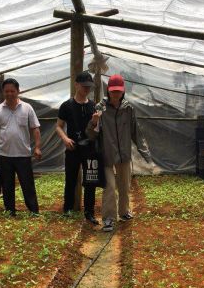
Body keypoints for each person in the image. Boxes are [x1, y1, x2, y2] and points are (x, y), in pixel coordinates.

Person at [87, 74, 152, 232]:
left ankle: (124, 212)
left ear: (123, 91)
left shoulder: (128, 108)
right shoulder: (99, 108)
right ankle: (108, 219)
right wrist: (94, 122)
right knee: (109, 187)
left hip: (123, 154)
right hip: (107, 154)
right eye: (113, 91)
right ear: (108, 90)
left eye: (119, 91)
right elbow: (90, 134)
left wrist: (146, 154)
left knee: (124, 185)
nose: (116, 94)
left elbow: (135, 131)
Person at [0, 78, 41, 216]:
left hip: (23, 154)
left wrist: (37, 147)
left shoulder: (27, 108)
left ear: (18, 91)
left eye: (12, 91)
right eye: (7, 91)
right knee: (7, 184)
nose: (10, 94)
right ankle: (10, 209)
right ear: (3, 92)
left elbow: (35, 128)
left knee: (27, 184)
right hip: (4, 154)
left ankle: (33, 210)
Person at [55, 71, 98, 224]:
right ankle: (67, 208)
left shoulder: (94, 106)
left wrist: (95, 121)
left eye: (89, 86)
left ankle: (89, 212)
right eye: (84, 86)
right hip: (72, 147)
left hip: (90, 149)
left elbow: (97, 130)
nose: (87, 89)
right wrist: (65, 138)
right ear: (77, 85)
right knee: (71, 179)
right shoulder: (66, 106)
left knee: (90, 181)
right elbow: (59, 126)